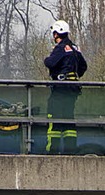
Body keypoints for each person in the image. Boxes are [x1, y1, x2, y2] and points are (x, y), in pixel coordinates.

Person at [44, 20, 87, 154]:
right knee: (68, 117)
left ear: (56, 34)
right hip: (73, 89)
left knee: (54, 116)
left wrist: (46, 59)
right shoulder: (74, 48)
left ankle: (53, 149)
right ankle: (70, 149)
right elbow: (83, 66)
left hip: (60, 88)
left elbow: (50, 63)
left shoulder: (60, 48)